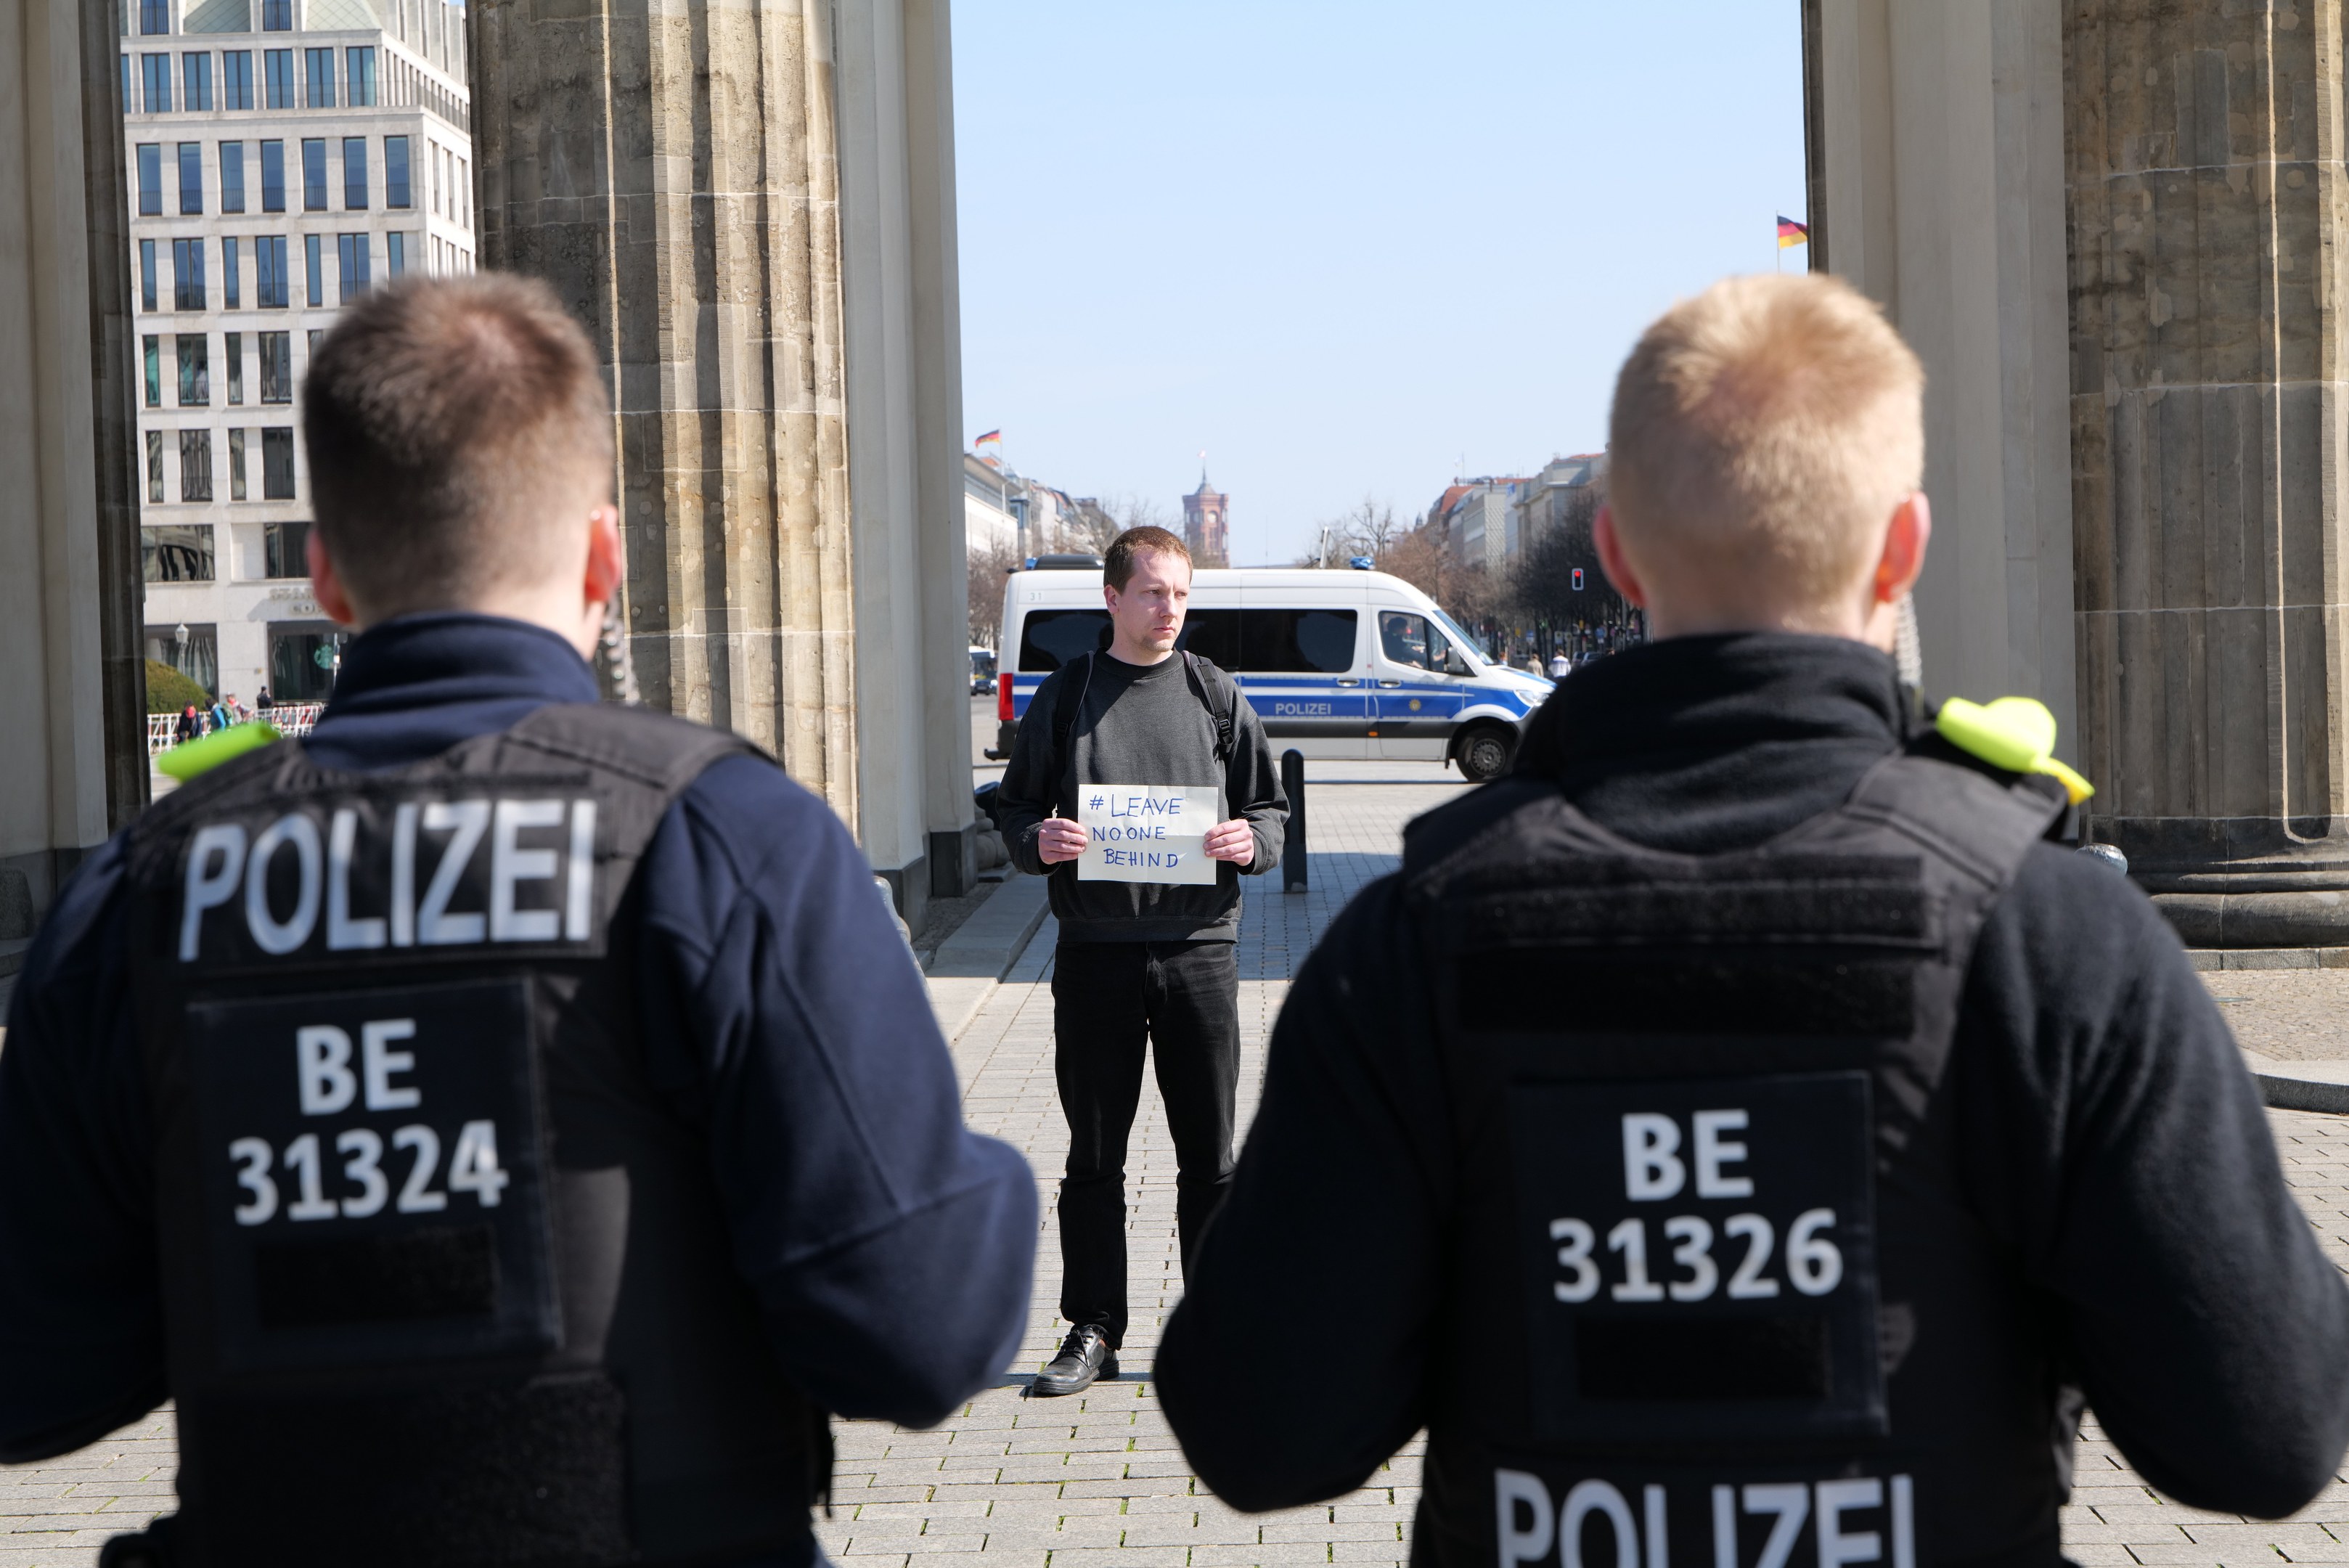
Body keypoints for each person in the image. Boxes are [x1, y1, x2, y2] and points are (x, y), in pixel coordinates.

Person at [1155, 274, 2349, 1562]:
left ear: (1613, 548)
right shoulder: (2051, 932)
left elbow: (1257, 1432)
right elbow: (2265, 1434)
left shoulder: (1416, 938)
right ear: (1904, 545)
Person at [0, 274, 1037, 1568]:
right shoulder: (721, 842)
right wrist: (977, 1176)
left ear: (325, 576)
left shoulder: (140, 893)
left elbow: (35, 1377)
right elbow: (919, 1331)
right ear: (606, 551)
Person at [996, 526, 1287, 1397]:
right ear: (1113, 599)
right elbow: (1012, 809)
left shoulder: (1213, 692)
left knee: (1211, 1155)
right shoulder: (1071, 692)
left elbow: (1269, 810)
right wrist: (1036, 839)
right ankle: (1092, 1327)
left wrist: (1249, 842)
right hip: (1094, 960)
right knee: (1093, 1154)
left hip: (1199, 954)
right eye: (1154, 593)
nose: (1170, 611)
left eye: (1181, 595)